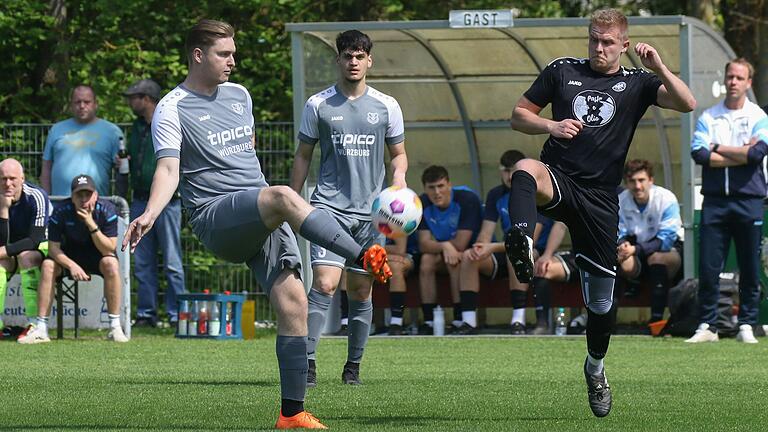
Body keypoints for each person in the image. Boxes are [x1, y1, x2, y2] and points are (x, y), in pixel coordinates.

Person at [123, 20, 391, 430]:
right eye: (224, 54)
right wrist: (151, 212)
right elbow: (168, 168)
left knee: (295, 303)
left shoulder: (239, 95)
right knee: (283, 195)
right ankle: (362, 254)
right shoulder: (172, 107)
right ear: (198, 56)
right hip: (217, 215)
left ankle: (292, 413)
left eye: (233, 52)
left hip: (258, 211)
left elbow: (245, 158)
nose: (233, 60)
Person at [505, 8, 695, 417]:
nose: (598, 48)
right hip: (558, 177)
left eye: (608, 42)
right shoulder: (561, 70)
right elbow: (519, 116)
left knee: (602, 305)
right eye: (593, 39)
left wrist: (659, 64)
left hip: (600, 200)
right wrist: (550, 127)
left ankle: (595, 367)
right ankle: (521, 239)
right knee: (523, 169)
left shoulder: (638, 83)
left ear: (624, 45)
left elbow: (687, 102)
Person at [291, 29, 407, 387]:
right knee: (325, 284)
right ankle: (307, 363)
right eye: (347, 56)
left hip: (372, 216)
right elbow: (303, 157)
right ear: (338, 60)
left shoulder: (387, 105)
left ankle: (352, 367)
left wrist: (399, 181)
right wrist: (292, 205)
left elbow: (398, 155)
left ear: (369, 60)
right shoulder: (318, 105)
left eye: (360, 56)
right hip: (328, 210)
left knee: (361, 291)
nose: (353, 62)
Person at [686, 58, 768, 344]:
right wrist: (740, 153)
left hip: (749, 200)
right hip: (716, 202)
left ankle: (746, 323)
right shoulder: (709, 116)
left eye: (739, 78)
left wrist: (718, 148)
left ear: (748, 83)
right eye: (730, 76)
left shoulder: (758, 116)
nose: (733, 82)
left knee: (749, 267)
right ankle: (708, 325)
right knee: (709, 268)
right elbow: (699, 154)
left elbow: (756, 156)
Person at [19, 174, 128, 344]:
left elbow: (109, 248)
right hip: (68, 258)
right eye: (79, 195)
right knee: (48, 265)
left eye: (88, 194)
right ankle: (41, 328)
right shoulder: (61, 211)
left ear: (96, 195)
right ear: (72, 197)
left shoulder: (107, 211)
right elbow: (54, 249)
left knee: (111, 263)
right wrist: (72, 266)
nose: (84, 199)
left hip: (97, 257)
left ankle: (114, 327)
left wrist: (91, 223)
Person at [123, 79, 186, 327]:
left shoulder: (168, 119)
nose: (130, 102)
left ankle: (177, 315)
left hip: (168, 203)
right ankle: (146, 314)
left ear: (147, 99)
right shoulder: (136, 128)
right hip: (139, 201)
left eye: (134, 97)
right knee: (142, 262)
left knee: (172, 261)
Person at [460, 150, 526, 335]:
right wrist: (480, 247)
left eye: (514, 170)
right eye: (506, 170)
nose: (509, 176)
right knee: (469, 256)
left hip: (532, 252)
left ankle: (518, 321)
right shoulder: (496, 194)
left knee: (517, 253)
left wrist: (491, 247)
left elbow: (528, 239)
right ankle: (468, 322)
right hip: (505, 249)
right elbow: (486, 231)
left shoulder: (534, 194)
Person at [616, 159, 683, 328]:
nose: (637, 186)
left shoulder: (666, 198)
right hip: (637, 250)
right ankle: (607, 322)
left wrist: (635, 249)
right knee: (620, 258)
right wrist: (623, 245)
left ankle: (657, 320)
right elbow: (619, 232)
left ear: (651, 180)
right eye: (632, 181)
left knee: (657, 258)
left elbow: (666, 240)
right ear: (626, 182)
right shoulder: (621, 200)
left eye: (641, 180)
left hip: (670, 251)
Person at [417, 165, 482, 334]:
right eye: (431, 188)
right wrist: (445, 245)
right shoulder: (421, 203)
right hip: (446, 253)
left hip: (475, 254)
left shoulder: (466, 199)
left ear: (449, 185)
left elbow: (461, 244)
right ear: (424, 189)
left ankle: (459, 318)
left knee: (456, 258)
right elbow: (423, 243)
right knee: (426, 260)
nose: (437, 192)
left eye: (441, 186)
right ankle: (429, 320)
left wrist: (447, 247)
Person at [40, 85, 123, 197]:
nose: (82, 106)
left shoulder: (112, 132)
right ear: (71, 105)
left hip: (96, 203)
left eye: (87, 102)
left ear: (95, 104)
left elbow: (122, 170)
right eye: (77, 102)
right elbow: (46, 167)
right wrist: (46, 198)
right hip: (60, 202)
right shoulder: (57, 129)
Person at [0, 159, 51, 336]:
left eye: (12, 178)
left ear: (22, 178)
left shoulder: (37, 195)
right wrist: (4, 211)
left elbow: (35, 238)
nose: (8, 183)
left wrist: (4, 251)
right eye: (3, 178)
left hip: (39, 247)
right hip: (8, 250)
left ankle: (34, 324)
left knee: (26, 257)